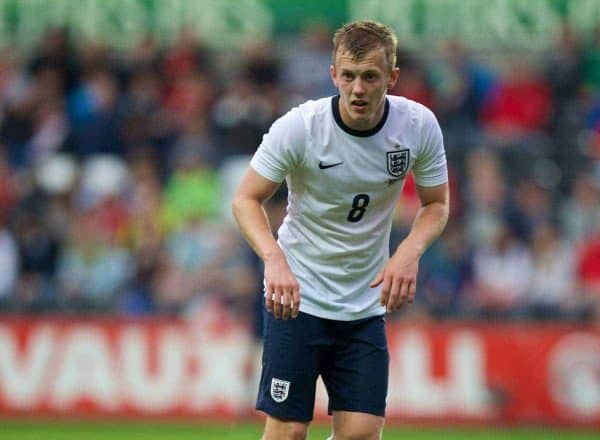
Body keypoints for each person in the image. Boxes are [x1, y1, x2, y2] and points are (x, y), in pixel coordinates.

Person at [232, 20, 449, 440]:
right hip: (296, 297)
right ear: (333, 74)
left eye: (370, 77)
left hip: (363, 306)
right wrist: (274, 260)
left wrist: (407, 254)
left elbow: (436, 204)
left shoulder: (417, 126)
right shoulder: (301, 128)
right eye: (348, 76)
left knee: (362, 434)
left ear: (392, 77)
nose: (358, 89)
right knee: (289, 432)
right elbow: (245, 199)